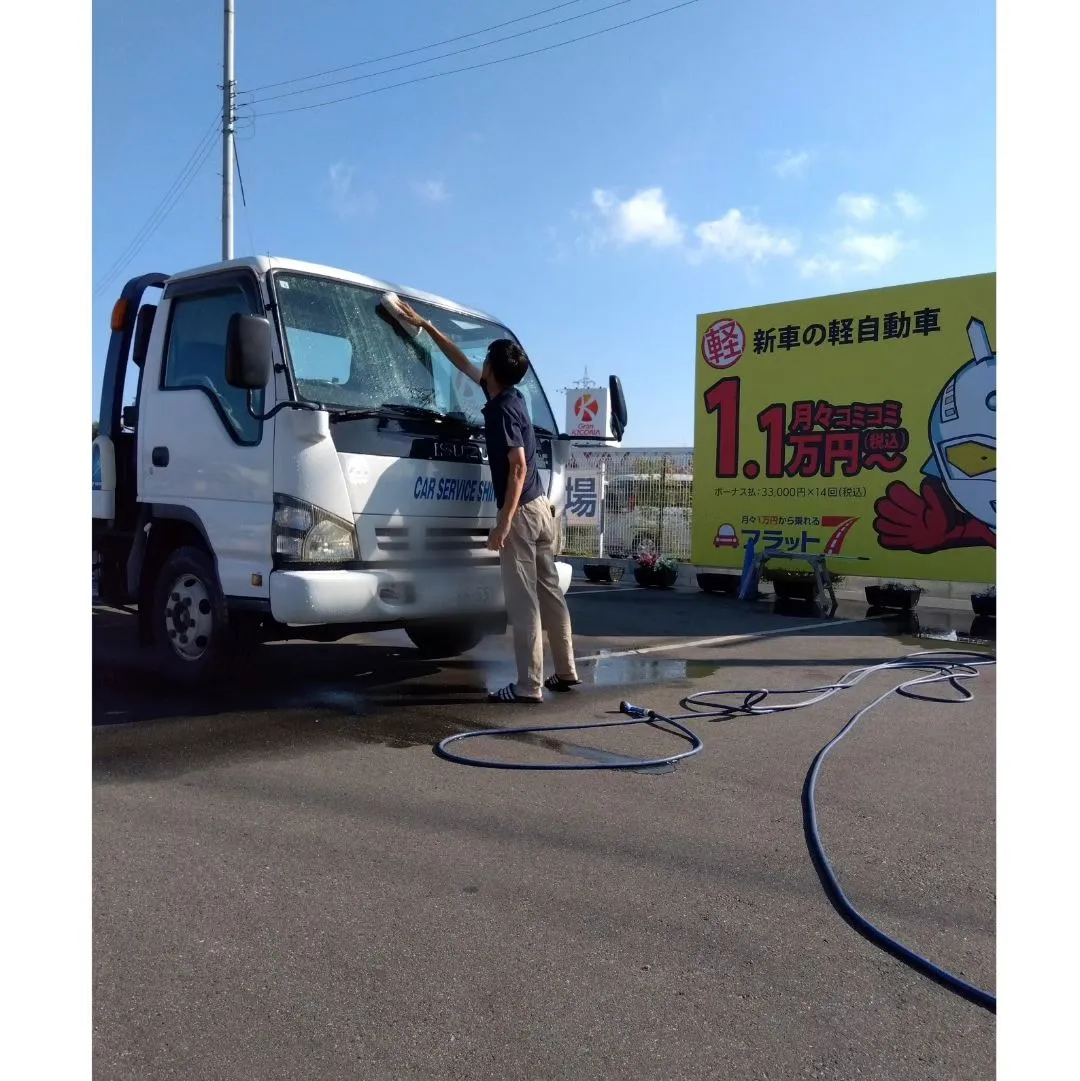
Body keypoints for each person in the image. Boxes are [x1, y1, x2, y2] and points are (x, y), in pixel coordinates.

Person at [391, 298, 580, 704]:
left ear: (493, 370)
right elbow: (459, 361)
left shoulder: (500, 412)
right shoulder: (510, 397)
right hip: (543, 510)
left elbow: (517, 467)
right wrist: (425, 325)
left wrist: (503, 523)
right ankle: (565, 672)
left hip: (524, 512)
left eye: (486, 360)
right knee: (550, 594)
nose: (480, 364)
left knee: (524, 602)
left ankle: (529, 686)